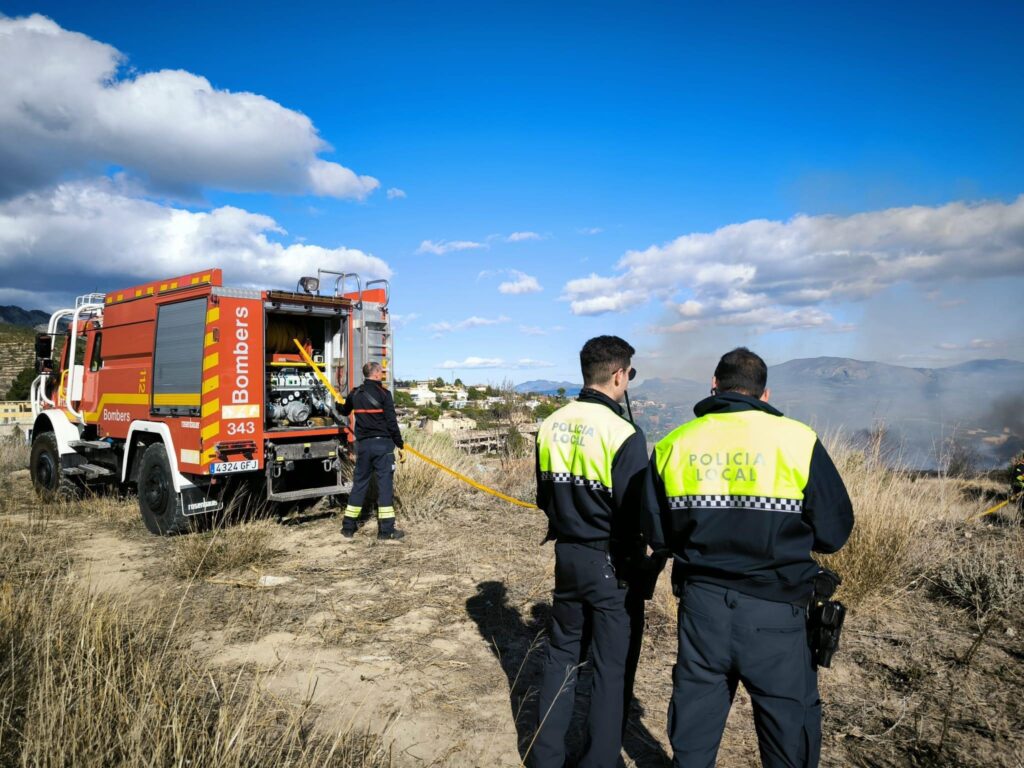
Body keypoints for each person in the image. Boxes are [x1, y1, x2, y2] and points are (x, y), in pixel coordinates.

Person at [645, 347, 854, 768]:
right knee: (788, 740)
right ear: (764, 394)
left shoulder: (674, 444)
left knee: (693, 741)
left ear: (714, 386)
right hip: (778, 617)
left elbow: (657, 533)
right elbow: (833, 534)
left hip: (702, 613)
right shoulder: (799, 440)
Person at [530, 335, 661, 768]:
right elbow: (637, 514)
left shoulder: (550, 424)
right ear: (620, 375)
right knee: (610, 668)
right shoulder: (623, 433)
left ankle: (545, 757)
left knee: (561, 656)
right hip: (611, 564)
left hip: (566, 556)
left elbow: (544, 499)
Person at [337, 361, 405, 540]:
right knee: (384, 488)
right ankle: (386, 531)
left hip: (364, 447)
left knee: (359, 485)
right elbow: (392, 423)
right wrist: (400, 445)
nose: (382, 375)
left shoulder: (355, 393)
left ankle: (348, 528)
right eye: (381, 372)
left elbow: (344, 411)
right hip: (383, 447)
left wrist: (338, 403)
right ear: (375, 374)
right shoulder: (384, 394)